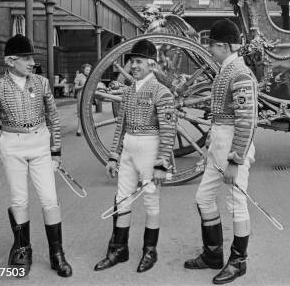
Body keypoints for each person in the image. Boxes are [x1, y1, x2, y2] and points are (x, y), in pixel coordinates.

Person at [0, 34, 72, 278]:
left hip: (40, 144)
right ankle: (22, 249)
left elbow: (53, 118)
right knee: (19, 199)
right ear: (10, 60)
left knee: (50, 199)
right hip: (12, 146)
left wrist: (56, 150)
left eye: (32, 57)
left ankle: (56, 253)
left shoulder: (41, 83)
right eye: (26, 58)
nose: (32, 62)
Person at [184, 19, 257, 284]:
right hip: (219, 144)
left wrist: (235, 161)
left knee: (237, 204)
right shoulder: (226, 69)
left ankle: (238, 261)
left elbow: (246, 121)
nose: (209, 50)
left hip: (232, 147)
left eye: (212, 45)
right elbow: (219, 117)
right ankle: (213, 254)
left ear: (224, 45)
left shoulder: (239, 73)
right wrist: (209, 144)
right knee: (204, 198)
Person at [94, 40, 177, 273]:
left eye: (138, 62)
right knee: (122, 199)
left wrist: (162, 163)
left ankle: (150, 251)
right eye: (132, 62)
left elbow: (168, 131)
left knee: (151, 200)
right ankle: (119, 250)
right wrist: (113, 155)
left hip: (150, 149)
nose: (133, 66)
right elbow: (120, 126)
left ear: (151, 64)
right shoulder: (129, 91)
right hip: (129, 149)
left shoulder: (162, 92)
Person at [74, 63, 91, 136]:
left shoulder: (91, 76)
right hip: (81, 96)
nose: (88, 71)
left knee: (87, 113)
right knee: (80, 113)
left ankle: (87, 129)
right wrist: (82, 86)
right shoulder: (79, 76)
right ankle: (79, 129)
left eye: (89, 70)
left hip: (88, 97)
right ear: (83, 70)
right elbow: (75, 87)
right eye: (87, 70)